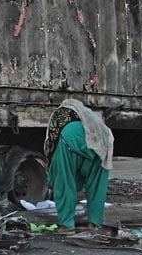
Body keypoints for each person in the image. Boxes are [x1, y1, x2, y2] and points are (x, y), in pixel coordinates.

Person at [43, 99, 114, 231]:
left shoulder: (59, 117)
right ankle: (94, 224)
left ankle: (67, 225)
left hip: (70, 140)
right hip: (104, 141)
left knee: (64, 181)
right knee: (98, 185)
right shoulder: (87, 115)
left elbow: (51, 146)